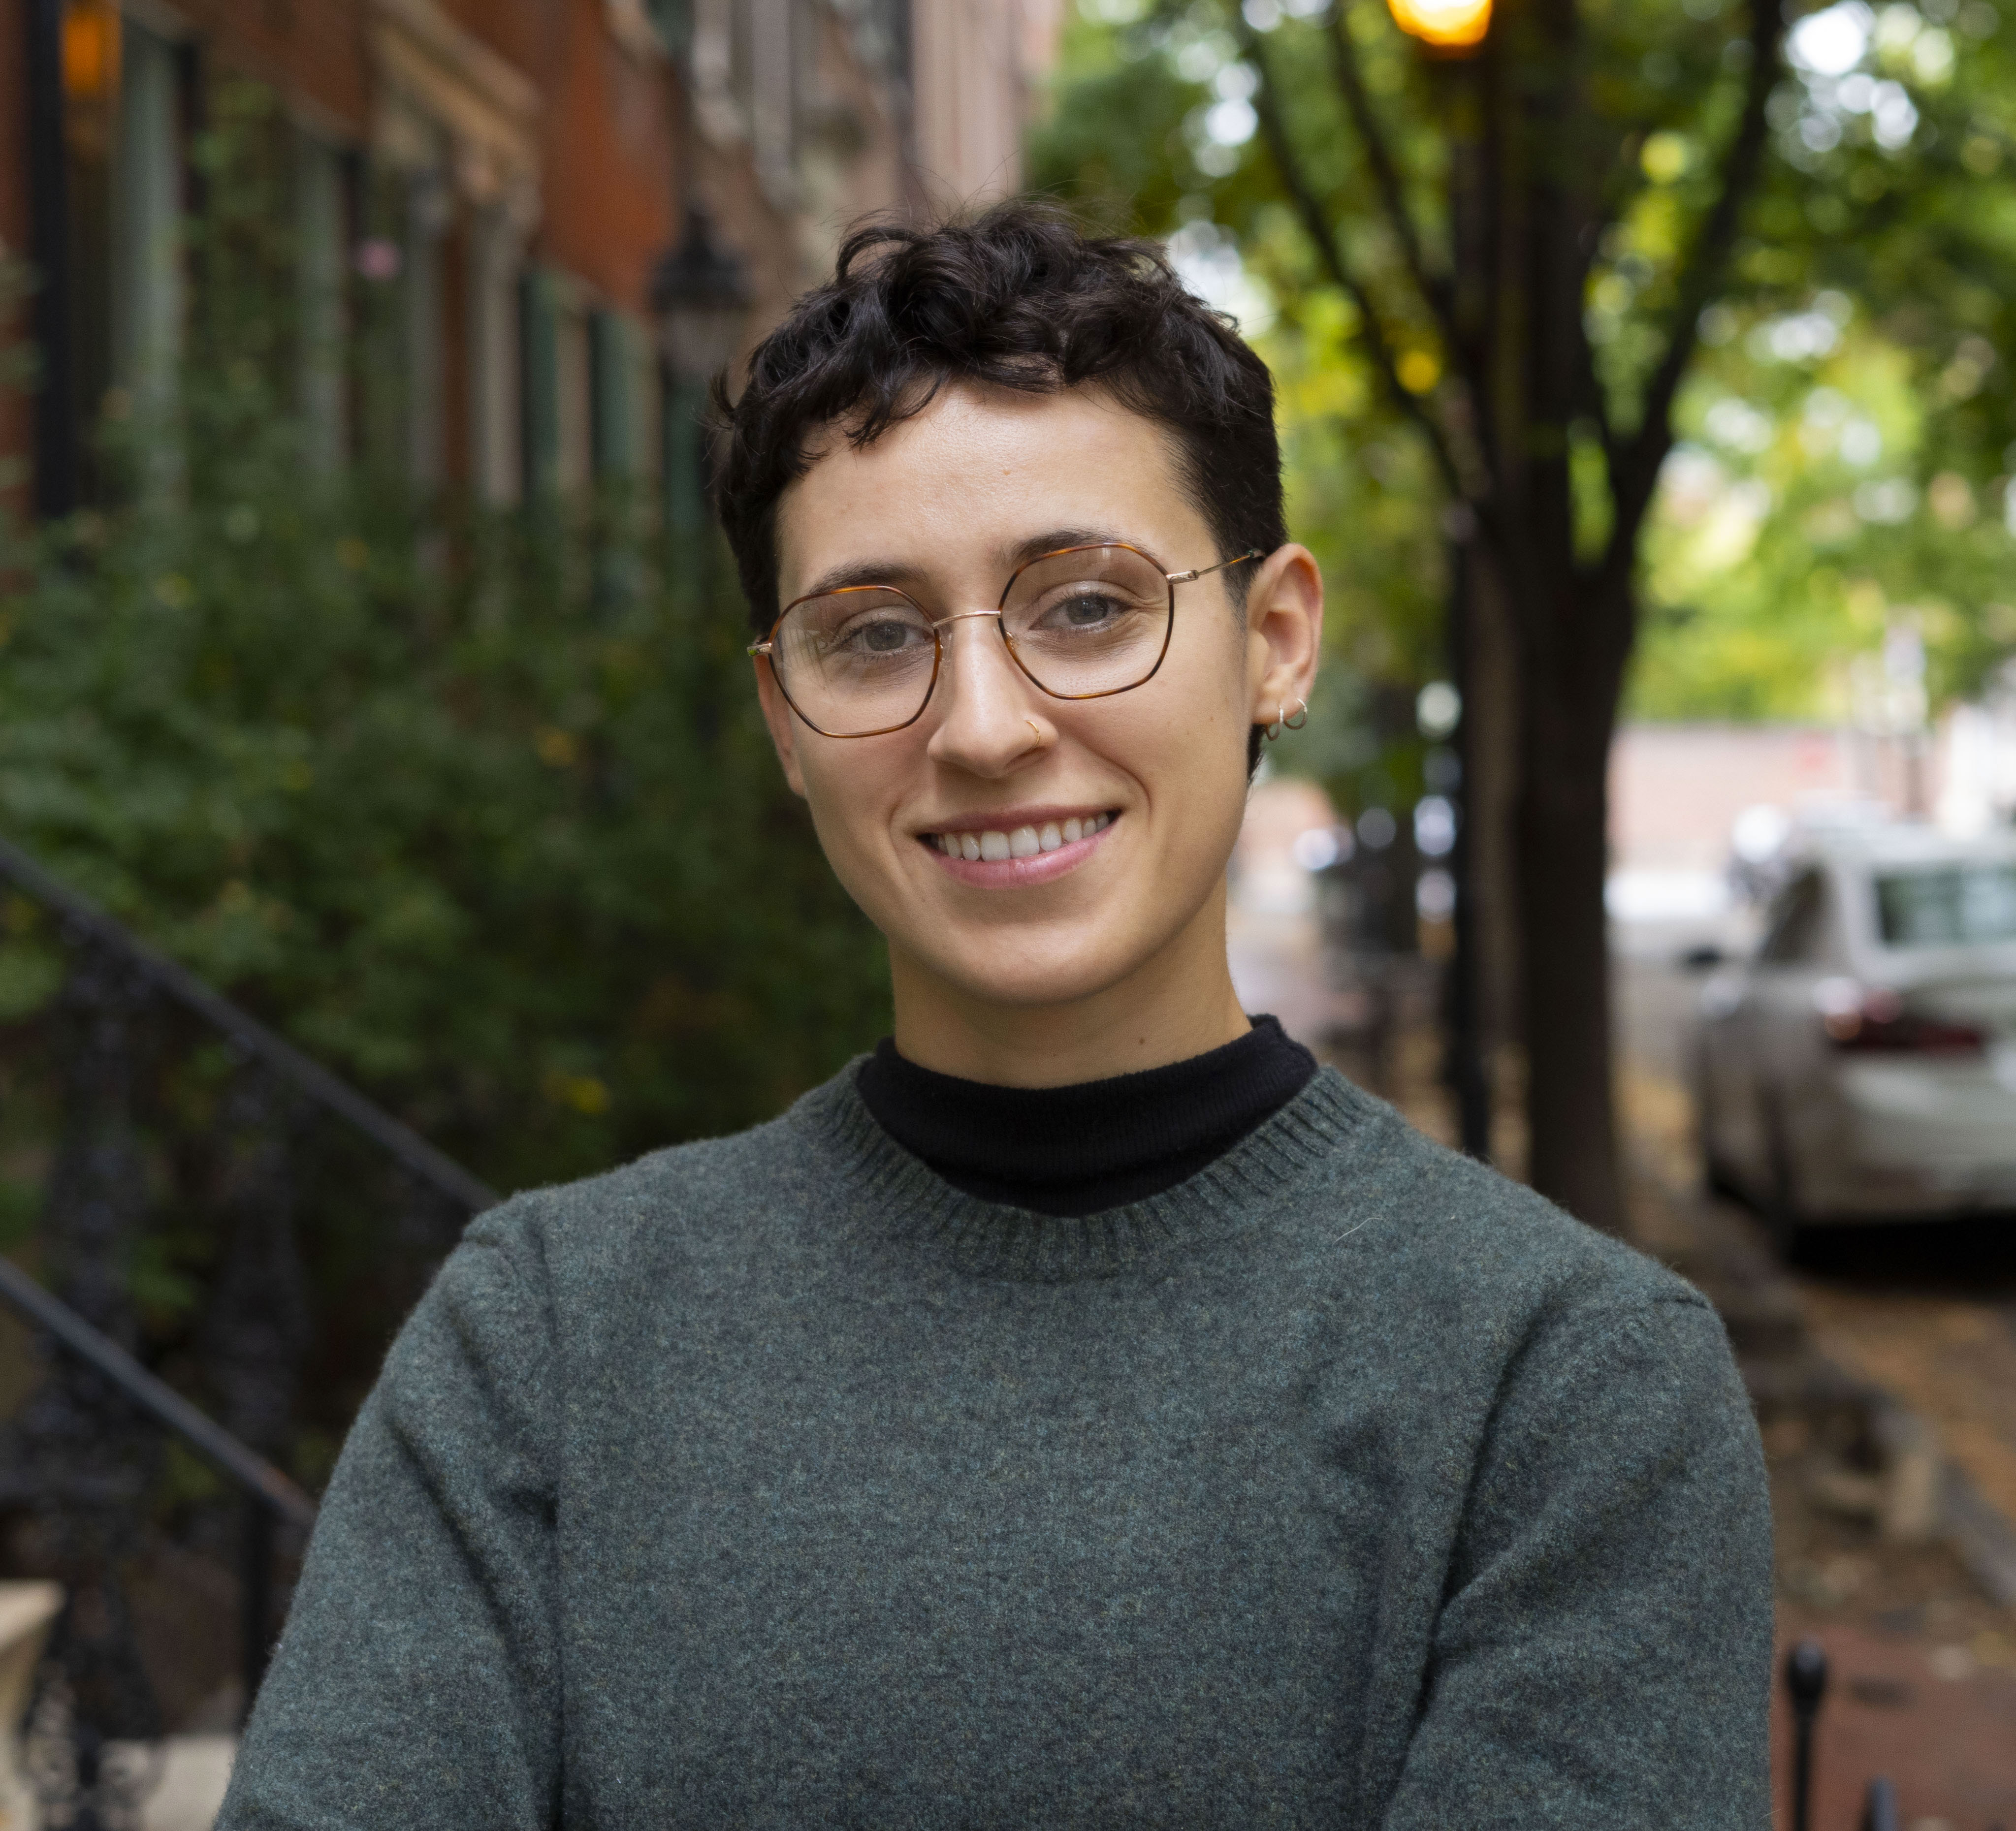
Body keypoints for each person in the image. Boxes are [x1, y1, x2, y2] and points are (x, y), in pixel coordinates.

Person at [218, 203, 1771, 1830]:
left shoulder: (1568, 1386)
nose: (980, 726)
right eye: (875, 637)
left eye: (1087, 605)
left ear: (1276, 641)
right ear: (785, 719)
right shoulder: (547, 1339)